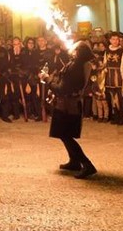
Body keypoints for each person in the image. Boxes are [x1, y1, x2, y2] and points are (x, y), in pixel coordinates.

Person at [41, 42, 97, 179]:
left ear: (78, 52)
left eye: (75, 47)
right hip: (67, 104)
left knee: (66, 135)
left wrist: (47, 79)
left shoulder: (77, 67)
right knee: (63, 134)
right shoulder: (76, 64)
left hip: (68, 105)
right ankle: (74, 162)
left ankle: (87, 164)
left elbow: (62, 88)